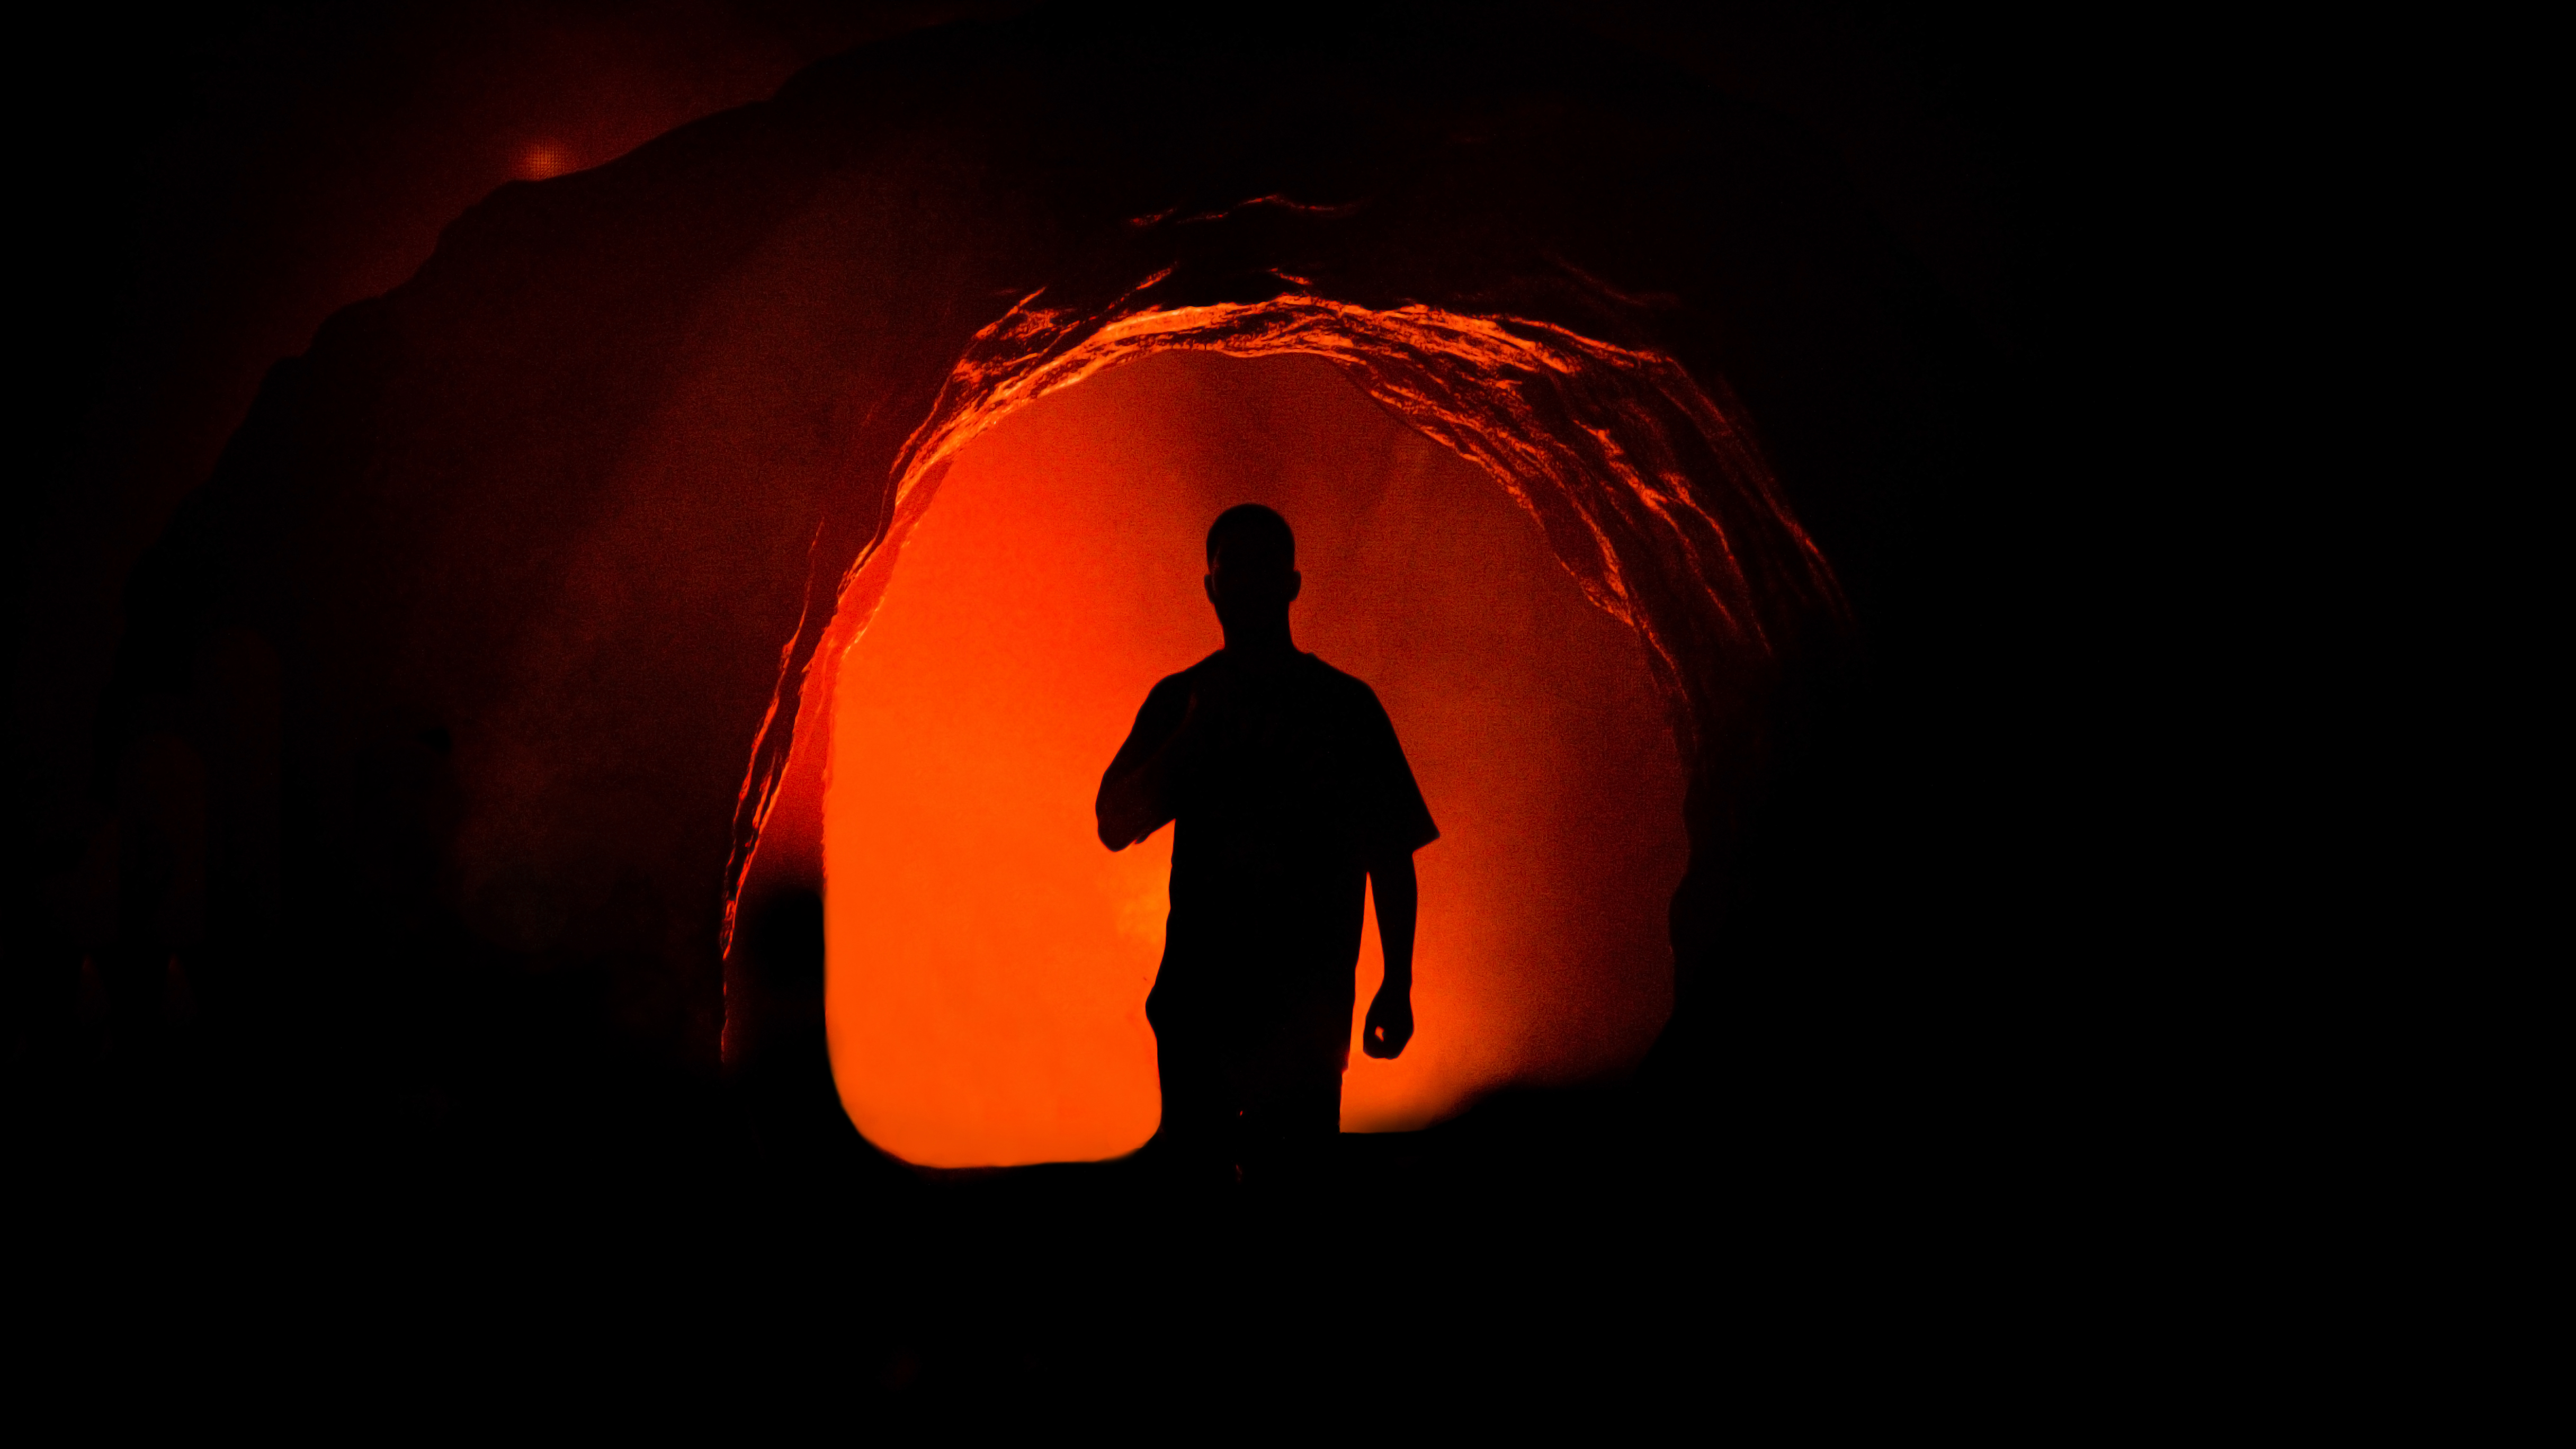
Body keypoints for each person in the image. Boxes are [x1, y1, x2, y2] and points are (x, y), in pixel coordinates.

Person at [1096, 504, 1438, 1189]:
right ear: (1212, 587)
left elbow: (1390, 854)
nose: (1248, 582)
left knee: (1291, 1188)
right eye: (1235, 567)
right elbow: (1112, 822)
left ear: (1291, 584)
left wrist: (1397, 983)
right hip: (1205, 1002)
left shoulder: (1345, 708)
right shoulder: (1185, 700)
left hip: (1303, 1005)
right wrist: (1189, 740)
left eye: (1262, 567)